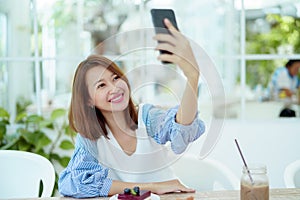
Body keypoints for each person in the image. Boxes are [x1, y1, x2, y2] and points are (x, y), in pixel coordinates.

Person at [58, 18, 205, 198]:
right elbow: (75, 183)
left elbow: (182, 128)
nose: (114, 88)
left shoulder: (147, 118)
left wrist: (192, 77)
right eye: (101, 86)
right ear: (89, 100)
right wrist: (150, 186)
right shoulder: (91, 139)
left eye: (115, 78)